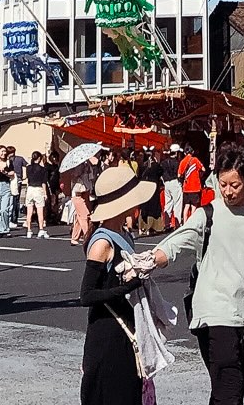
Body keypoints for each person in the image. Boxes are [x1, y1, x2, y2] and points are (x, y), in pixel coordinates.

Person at [150, 141, 244, 405]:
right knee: (229, 387)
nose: (227, 191)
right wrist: (149, 260)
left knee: (229, 389)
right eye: (222, 183)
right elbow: (174, 244)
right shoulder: (207, 215)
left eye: (235, 185)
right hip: (213, 312)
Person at [81, 164, 161, 405]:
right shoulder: (102, 243)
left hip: (126, 326)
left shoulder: (124, 234)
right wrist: (129, 285)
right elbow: (87, 295)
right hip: (108, 333)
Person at [0, 145, 18, 238]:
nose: (3, 153)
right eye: (1, 151)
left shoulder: (9, 162)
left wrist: (5, 172)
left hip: (6, 185)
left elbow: (12, 173)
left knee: (4, 209)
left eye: (5, 151)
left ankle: (6, 229)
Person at [26, 149, 54, 237]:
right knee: (40, 211)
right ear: (39, 158)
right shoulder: (43, 169)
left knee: (29, 211)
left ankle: (29, 230)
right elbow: (43, 182)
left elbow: (28, 179)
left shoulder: (28, 168)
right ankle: (41, 229)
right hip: (38, 189)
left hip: (30, 189)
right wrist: (45, 194)